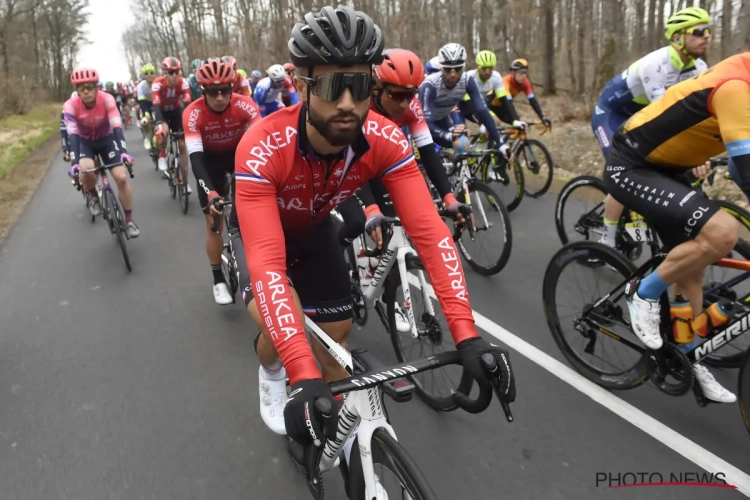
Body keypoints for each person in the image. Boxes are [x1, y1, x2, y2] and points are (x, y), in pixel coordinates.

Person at [234, 5, 515, 452]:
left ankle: (352, 449)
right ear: (303, 85)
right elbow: (268, 265)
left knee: (338, 336)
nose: (348, 102)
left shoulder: (386, 138)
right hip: (266, 238)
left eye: (360, 85)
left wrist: (467, 333)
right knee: (285, 330)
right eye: (331, 85)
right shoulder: (264, 145)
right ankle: (271, 370)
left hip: (315, 231)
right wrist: (302, 376)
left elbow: (430, 234)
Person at [602, 52, 750, 404]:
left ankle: (689, 354)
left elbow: (734, 165)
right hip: (632, 164)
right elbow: (746, 170)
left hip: (672, 168)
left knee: (693, 271)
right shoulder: (735, 86)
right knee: (722, 233)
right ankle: (643, 292)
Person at [593, 7, 710, 248]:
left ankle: (639, 227)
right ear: (677, 37)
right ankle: (607, 239)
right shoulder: (656, 65)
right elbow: (667, 119)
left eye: (708, 30)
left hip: (640, 115)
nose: (706, 35)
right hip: (611, 114)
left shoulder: (699, 68)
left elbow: (699, 117)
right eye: (699, 31)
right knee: (623, 172)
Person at [183, 58, 261, 305]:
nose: (219, 97)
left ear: (232, 88)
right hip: (209, 161)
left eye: (224, 91)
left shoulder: (246, 105)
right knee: (213, 220)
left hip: (239, 156)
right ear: (202, 91)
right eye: (213, 92)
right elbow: (196, 160)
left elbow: (260, 145)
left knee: (253, 210)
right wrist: (211, 193)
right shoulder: (193, 113)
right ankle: (218, 279)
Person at [63, 68, 138, 236]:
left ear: (97, 87)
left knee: (121, 177)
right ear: (77, 91)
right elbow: (72, 135)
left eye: (90, 86)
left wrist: (124, 152)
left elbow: (117, 127)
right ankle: (93, 196)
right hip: (84, 142)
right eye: (82, 88)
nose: (87, 91)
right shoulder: (70, 106)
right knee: (86, 170)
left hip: (106, 140)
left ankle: (129, 220)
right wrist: (74, 163)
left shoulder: (107, 99)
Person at [418, 43, 507, 155]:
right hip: (419, 124)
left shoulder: (467, 80)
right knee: (425, 165)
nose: (453, 74)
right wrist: (449, 135)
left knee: (464, 146)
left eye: (458, 69)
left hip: (441, 119)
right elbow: (426, 122)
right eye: (447, 69)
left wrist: (501, 144)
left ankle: (454, 171)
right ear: (441, 68)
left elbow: (482, 111)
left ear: (463, 67)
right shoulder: (430, 85)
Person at [152, 56, 192, 193]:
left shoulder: (183, 82)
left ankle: (185, 180)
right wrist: (158, 123)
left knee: (183, 144)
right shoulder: (158, 83)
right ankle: (162, 155)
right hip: (162, 112)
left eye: (177, 72)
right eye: (171, 73)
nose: (175, 76)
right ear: (165, 73)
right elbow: (156, 104)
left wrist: (189, 121)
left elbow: (187, 103)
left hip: (175, 111)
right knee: (163, 131)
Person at [464, 50, 524, 131]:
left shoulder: (496, 77)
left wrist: (514, 120)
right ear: (477, 68)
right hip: (463, 106)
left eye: (490, 69)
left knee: (496, 123)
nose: (487, 72)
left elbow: (503, 99)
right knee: (462, 136)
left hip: (480, 105)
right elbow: (469, 103)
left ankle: (486, 142)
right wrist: (481, 123)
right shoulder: (469, 77)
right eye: (484, 69)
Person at [136, 63, 157, 150]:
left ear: (154, 74)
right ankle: (147, 137)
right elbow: (142, 102)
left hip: (156, 101)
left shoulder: (158, 82)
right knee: (146, 119)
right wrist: (146, 114)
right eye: (146, 73)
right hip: (145, 102)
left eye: (151, 73)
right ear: (144, 76)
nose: (149, 75)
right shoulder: (141, 86)